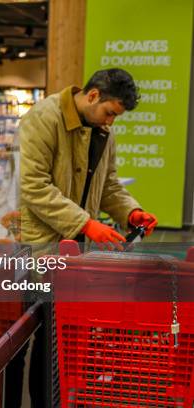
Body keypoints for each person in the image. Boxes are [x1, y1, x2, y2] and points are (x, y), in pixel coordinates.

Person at [15, 69, 158, 407]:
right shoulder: (44, 118)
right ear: (93, 95)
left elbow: (108, 187)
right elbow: (33, 187)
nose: (112, 121)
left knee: (66, 335)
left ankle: (60, 398)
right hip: (42, 246)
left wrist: (131, 212)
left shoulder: (102, 130)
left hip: (77, 250)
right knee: (43, 335)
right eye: (110, 112)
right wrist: (85, 223)